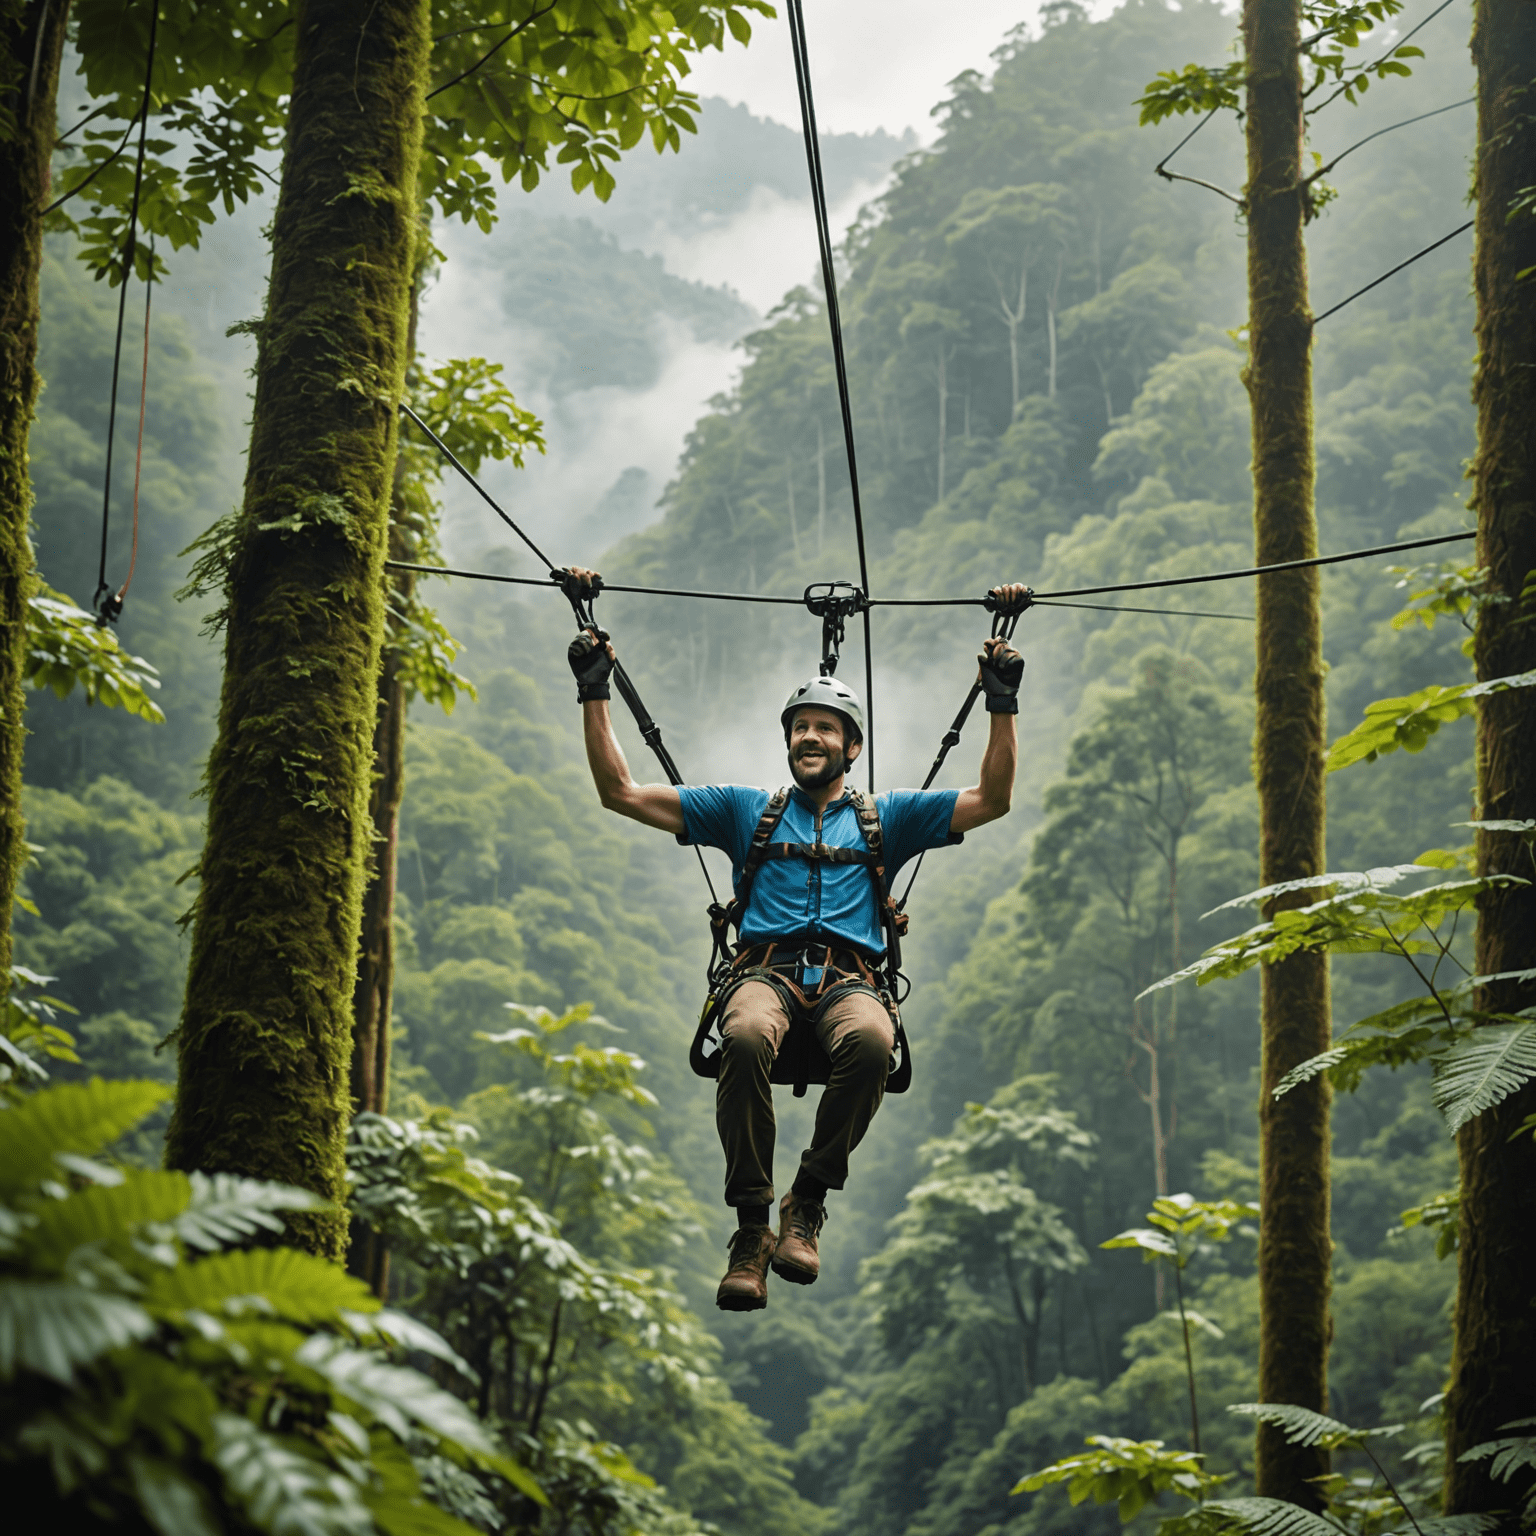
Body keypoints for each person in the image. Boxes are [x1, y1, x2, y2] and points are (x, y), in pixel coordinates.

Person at [563, 568, 1027, 1311]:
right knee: (744, 1035)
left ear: (851, 747)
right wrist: (595, 690)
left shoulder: (888, 816)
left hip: (852, 982)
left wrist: (1000, 700)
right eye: (799, 729)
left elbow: (993, 799)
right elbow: (619, 791)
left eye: (825, 730)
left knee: (873, 1042)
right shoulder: (746, 810)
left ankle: (805, 1201)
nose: (809, 737)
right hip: (764, 973)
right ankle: (752, 1224)